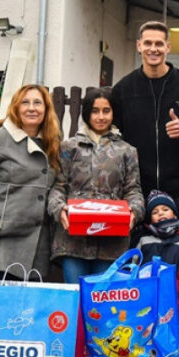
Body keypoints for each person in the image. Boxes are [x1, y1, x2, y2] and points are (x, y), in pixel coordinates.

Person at [47, 87, 145, 282]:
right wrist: (60, 210)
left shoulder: (127, 151)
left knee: (104, 305)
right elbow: (58, 187)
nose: (101, 117)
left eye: (106, 111)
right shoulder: (69, 148)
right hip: (72, 241)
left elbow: (133, 190)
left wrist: (134, 211)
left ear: (113, 113)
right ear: (86, 113)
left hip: (111, 243)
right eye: (95, 111)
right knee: (76, 299)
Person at [111, 21, 179, 213]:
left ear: (168, 47)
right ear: (139, 46)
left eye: (159, 44)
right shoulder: (124, 89)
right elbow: (112, 138)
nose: (153, 49)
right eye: (148, 43)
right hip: (136, 190)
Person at [0, 84, 62, 279]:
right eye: (25, 102)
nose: (31, 108)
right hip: (5, 239)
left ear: (46, 108)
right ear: (16, 107)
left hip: (39, 243)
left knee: (33, 309)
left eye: (38, 103)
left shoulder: (52, 143)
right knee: (5, 307)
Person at [135, 189, 179, 340]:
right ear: (150, 218)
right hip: (147, 287)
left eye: (165, 209)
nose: (161, 213)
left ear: (174, 214)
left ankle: (173, 342)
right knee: (145, 317)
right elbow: (133, 262)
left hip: (173, 286)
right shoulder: (144, 238)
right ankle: (145, 343)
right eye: (155, 211)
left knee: (172, 318)